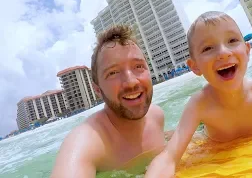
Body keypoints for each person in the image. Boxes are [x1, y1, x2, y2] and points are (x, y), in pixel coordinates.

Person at [145, 11, 252, 177]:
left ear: (247, 50)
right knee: (188, 136)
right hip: (211, 141)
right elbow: (169, 156)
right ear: (195, 66)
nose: (223, 52)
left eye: (232, 40)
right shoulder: (199, 104)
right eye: (208, 48)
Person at [51, 25, 166, 178]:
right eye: (113, 73)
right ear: (98, 90)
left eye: (138, 66)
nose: (131, 82)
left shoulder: (157, 116)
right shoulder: (86, 141)